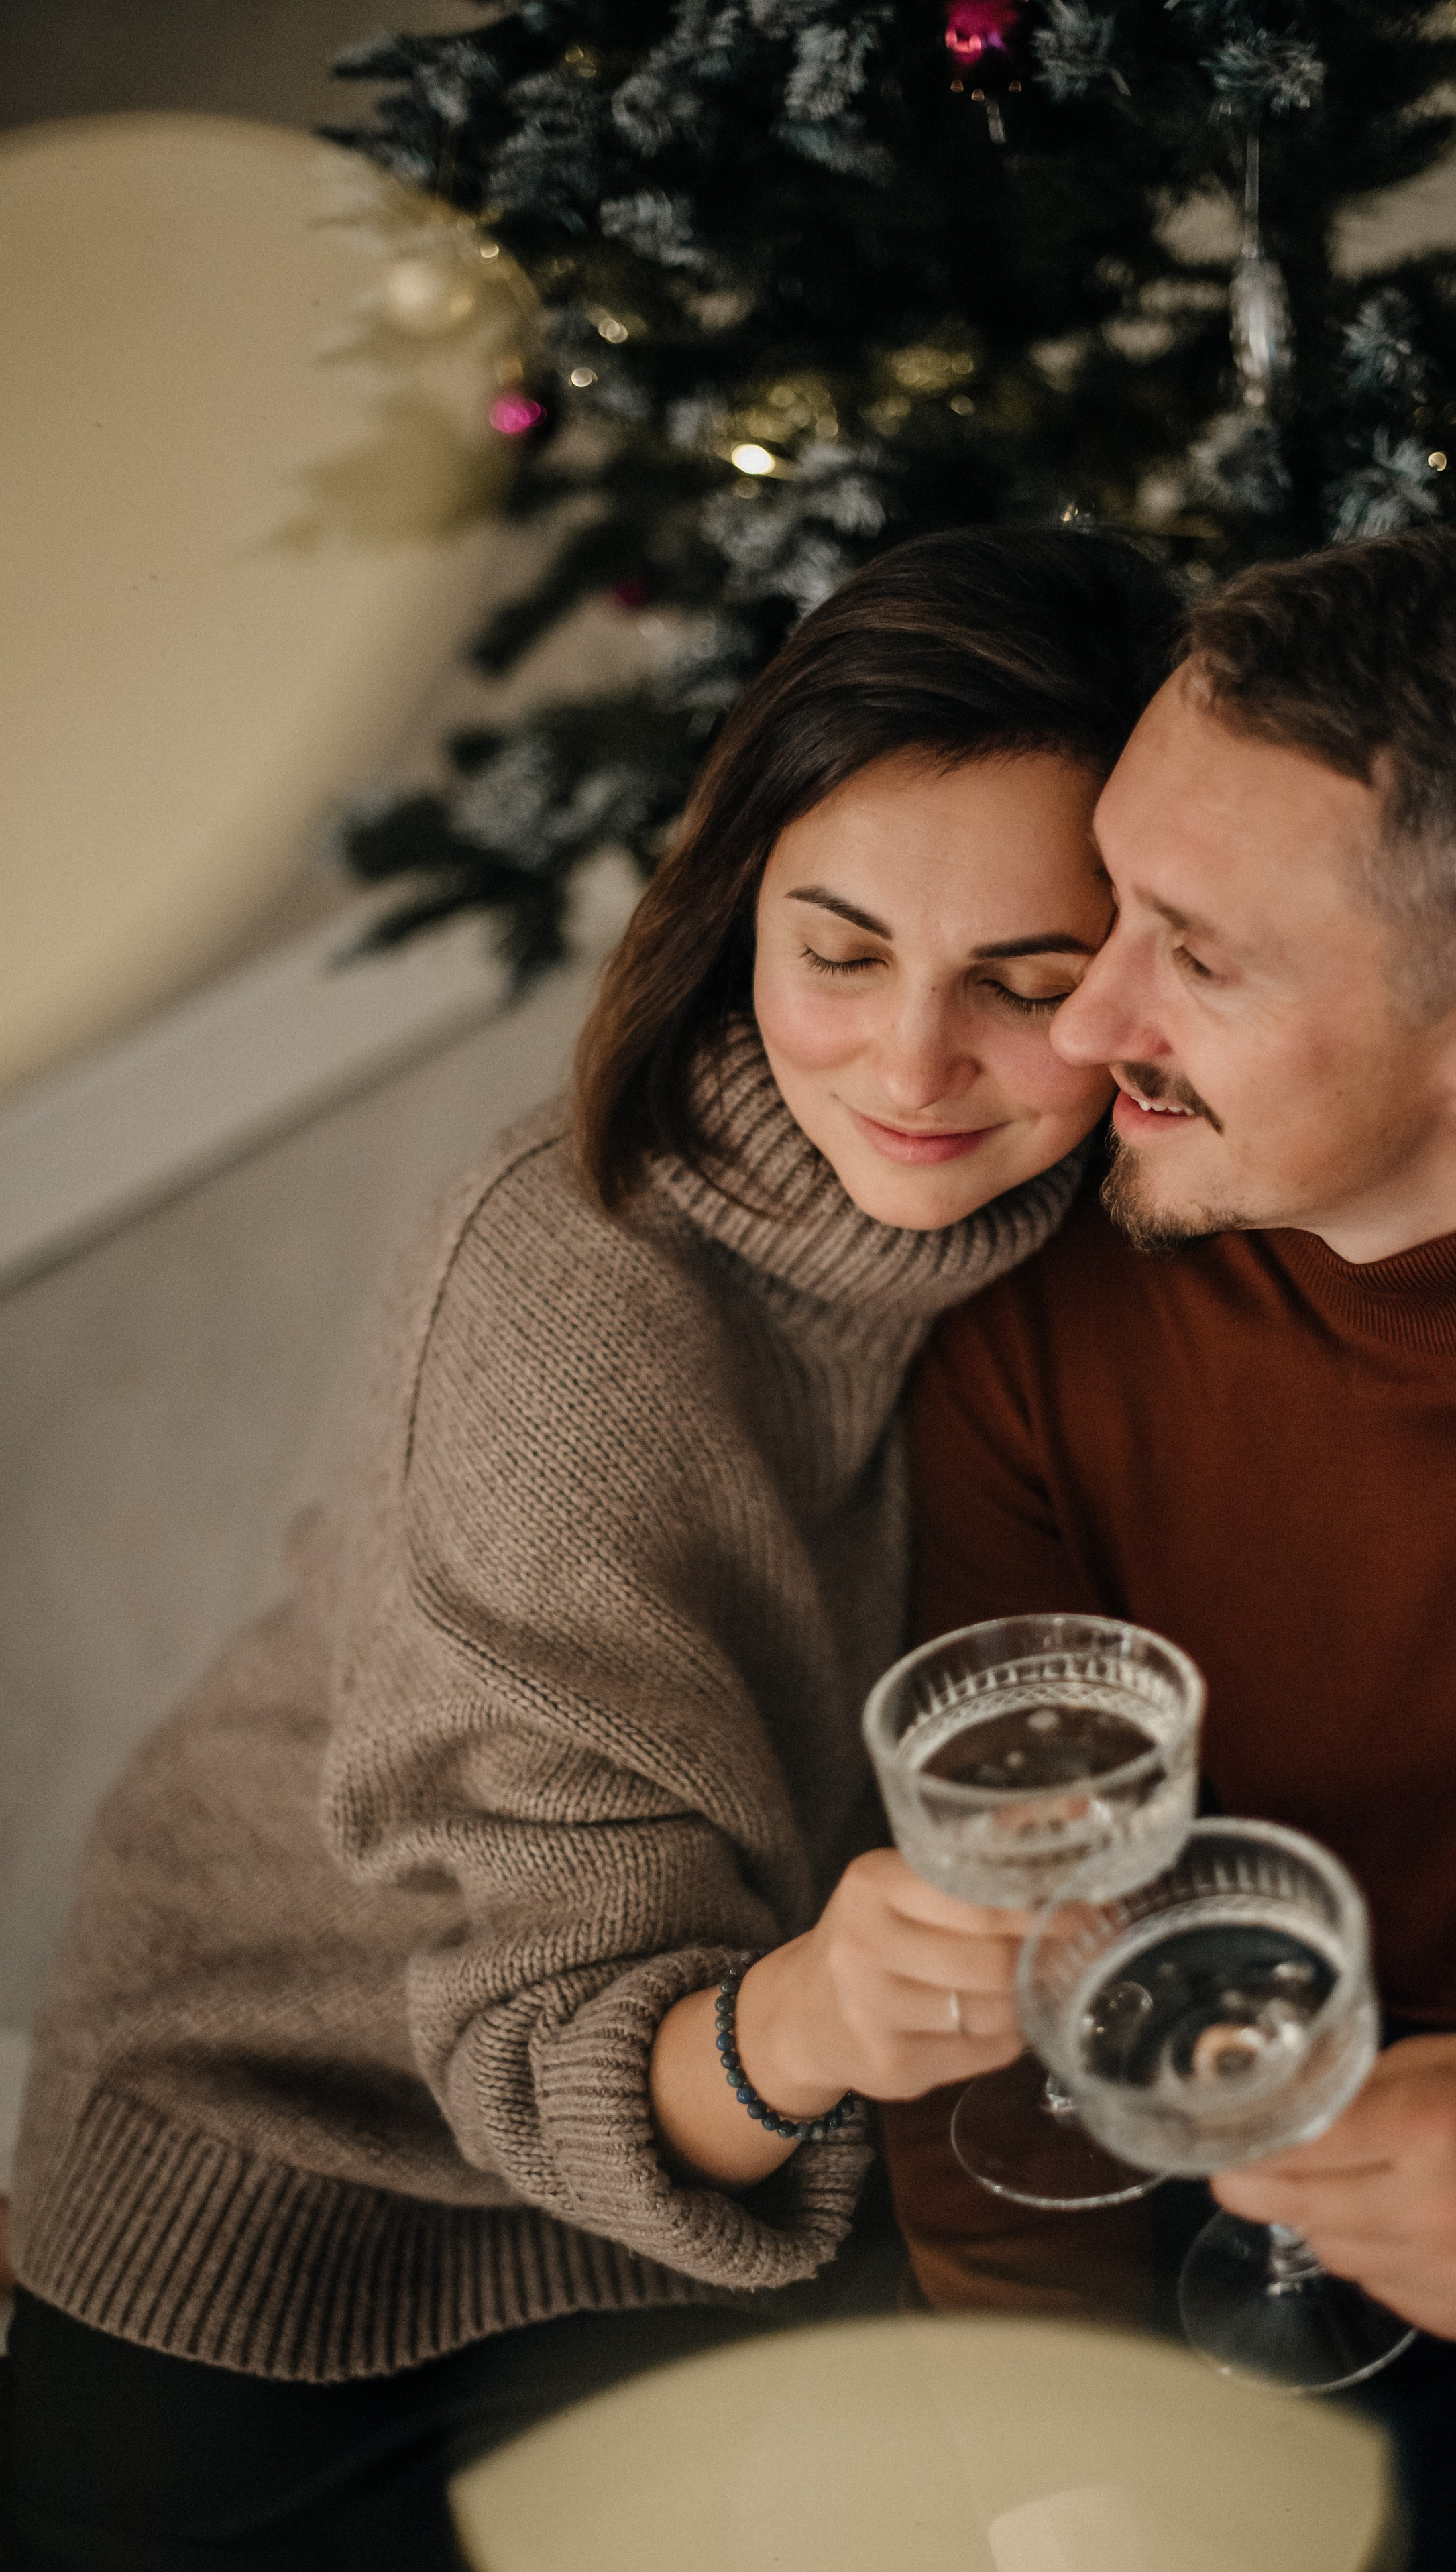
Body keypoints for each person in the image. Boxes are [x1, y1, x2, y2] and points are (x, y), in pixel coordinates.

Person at [0, 526, 1181, 2569]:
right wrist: (812, 2023)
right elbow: (553, 2027)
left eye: (1032, 982)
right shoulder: (565, 1301)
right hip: (313, 2124)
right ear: (736, 917)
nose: (911, 1069)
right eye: (839, 950)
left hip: (761, 2142)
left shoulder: (1114, 1244)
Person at [884, 527, 1456, 2571]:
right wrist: (1065, 2495)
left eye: (1200, 951)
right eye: (1116, 897)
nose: (1081, 1027)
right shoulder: (1046, 1311)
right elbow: (1003, 1951)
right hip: (1250, 2217)